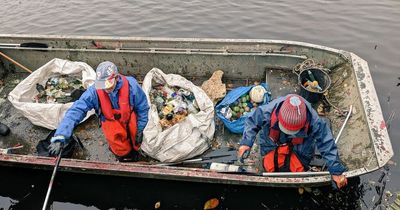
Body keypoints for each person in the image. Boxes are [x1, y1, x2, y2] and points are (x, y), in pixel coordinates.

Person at [238, 94, 348, 189]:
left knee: (301, 162)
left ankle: (297, 173)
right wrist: (246, 143)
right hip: (273, 137)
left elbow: (326, 142)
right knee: (269, 159)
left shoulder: (314, 121)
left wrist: (336, 170)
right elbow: (252, 121)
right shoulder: (269, 110)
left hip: (301, 142)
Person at [49, 61, 149, 161]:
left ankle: (135, 151)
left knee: (136, 141)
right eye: (102, 84)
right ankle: (124, 157)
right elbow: (76, 110)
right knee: (120, 149)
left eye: (108, 83)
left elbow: (143, 108)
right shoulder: (93, 92)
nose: (106, 88)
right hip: (110, 123)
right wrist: (61, 135)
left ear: (116, 77)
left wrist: (140, 129)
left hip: (129, 118)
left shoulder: (132, 86)